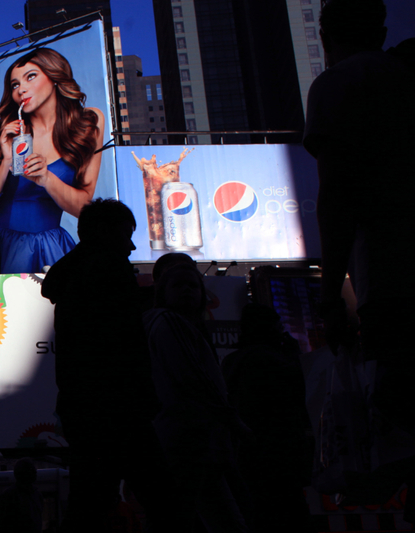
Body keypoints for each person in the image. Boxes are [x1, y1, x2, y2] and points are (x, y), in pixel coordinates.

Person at [303, 0, 415, 432]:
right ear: (381, 34)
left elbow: (337, 195)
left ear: (325, 40)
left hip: (392, 281)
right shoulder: (404, 78)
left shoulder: (337, 84)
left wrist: (331, 297)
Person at [42, 199, 177, 532]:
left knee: (89, 505)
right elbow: (123, 344)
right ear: (104, 232)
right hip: (119, 409)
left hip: (86, 411)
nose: (132, 246)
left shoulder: (74, 277)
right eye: (126, 234)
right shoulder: (108, 269)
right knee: (166, 502)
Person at [0, 47, 105, 275]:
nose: (21, 89)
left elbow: (84, 209)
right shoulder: (4, 135)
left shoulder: (88, 123)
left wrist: (46, 178)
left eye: (31, 76)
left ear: (54, 77)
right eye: (14, 84)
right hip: (2, 251)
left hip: (53, 250)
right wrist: (6, 163)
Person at [142, 264, 251, 533]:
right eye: (178, 285)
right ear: (162, 293)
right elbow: (195, 378)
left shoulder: (165, 323)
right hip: (191, 439)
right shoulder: (171, 322)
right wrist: (234, 421)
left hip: (184, 438)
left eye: (192, 285)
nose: (187, 291)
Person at [222, 304, 313, 532]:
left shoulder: (232, 362)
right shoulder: (276, 361)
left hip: (247, 455)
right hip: (280, 456)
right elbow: (300, 396)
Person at [0, 458, 44, 533]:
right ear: (22, 473)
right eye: (31, 468)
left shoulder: (37, 494)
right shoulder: (9, 496)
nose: (35, 471)